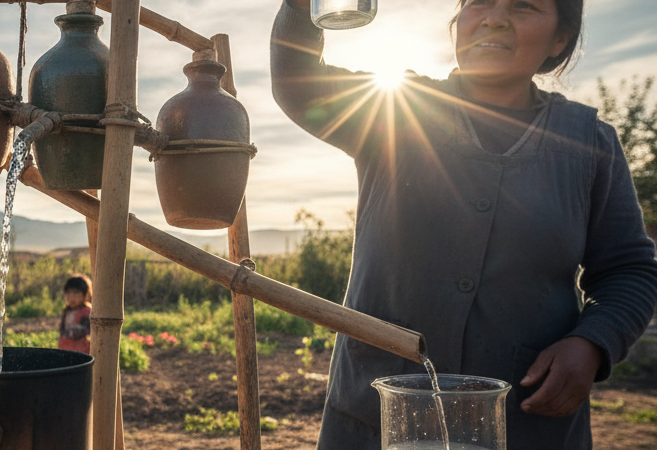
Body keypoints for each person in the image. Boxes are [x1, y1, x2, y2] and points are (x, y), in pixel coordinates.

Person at [270, 0, 657, 448]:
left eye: (524, 5)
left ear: (560, 38)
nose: (494, 17)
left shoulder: (589, 144)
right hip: (377, 421)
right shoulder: (396, 109)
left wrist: (593, 342)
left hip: (527, 423)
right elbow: (296, 80)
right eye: (478, 3)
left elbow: (630, 269)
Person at [58, 274, 93, 354]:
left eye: (75, 293)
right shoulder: (66, 311)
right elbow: (62, 330)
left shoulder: (87, 312)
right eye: (68, 294)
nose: (71, 298)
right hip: (66, 349)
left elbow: (87, 331)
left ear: (86, 295)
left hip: (82, 351)